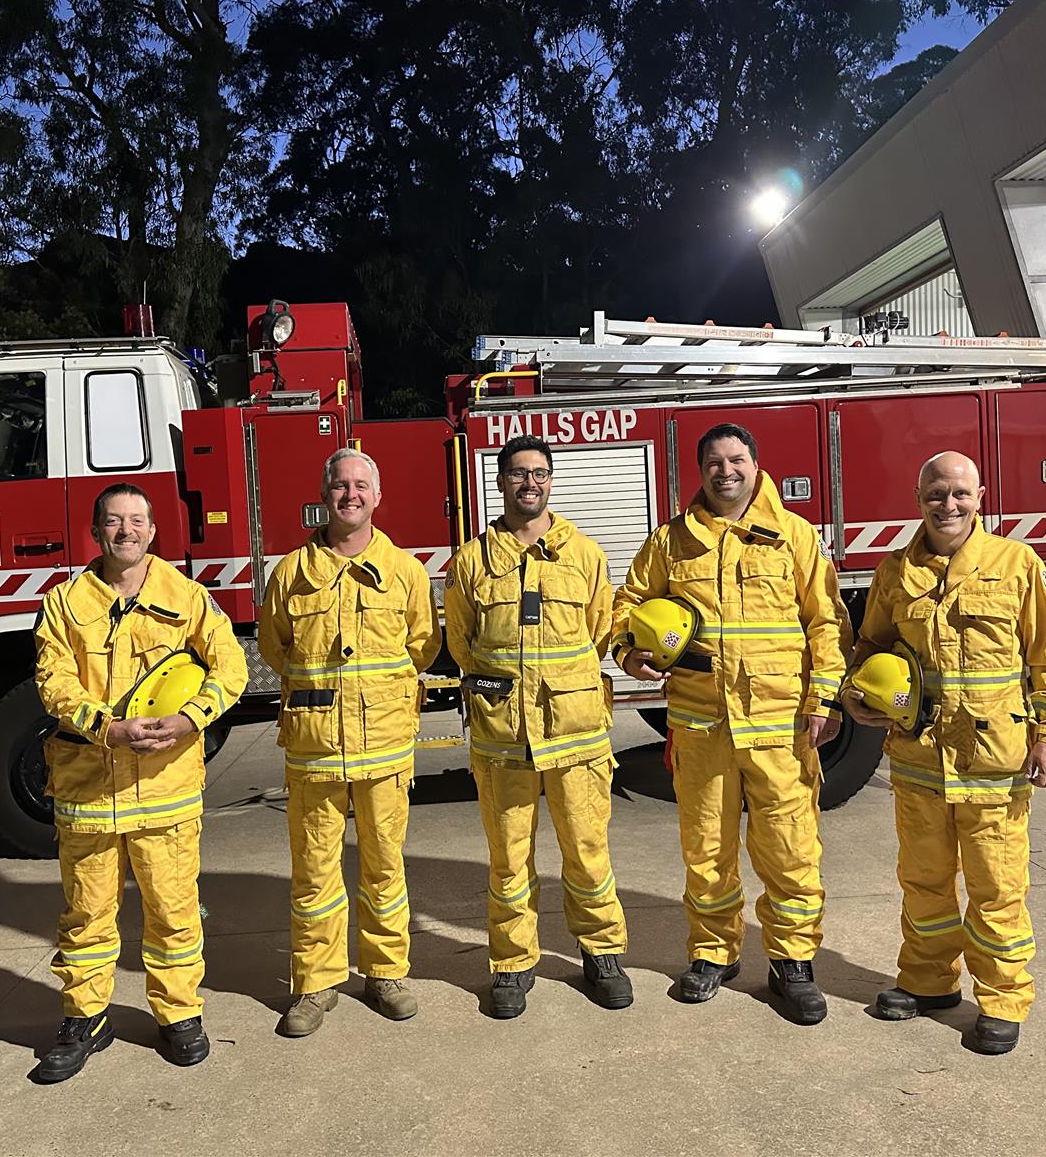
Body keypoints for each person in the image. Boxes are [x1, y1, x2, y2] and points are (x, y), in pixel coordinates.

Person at [613, 423, 850, 1024]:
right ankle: (713, 954)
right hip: (701, 726)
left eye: (736, 459)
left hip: (779, 726)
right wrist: (628, 651)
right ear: (700, 470)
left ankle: (792, 963)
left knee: (790, 850)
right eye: (715, 462)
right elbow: (626, 606)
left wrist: (823, 700)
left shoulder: (793, 536)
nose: (726, 471)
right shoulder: (672, 542)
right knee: (707, 849)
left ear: (755, 464)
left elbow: (826, 623)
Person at [844, 450, 1046, 1056]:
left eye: (959, 494)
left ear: (979, 498)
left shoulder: (1017, 563)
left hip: (994, 762)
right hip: (919, 762)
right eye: (935, 494)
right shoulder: (895, 570)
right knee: (924, 882)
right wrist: (857, 695)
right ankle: (927, 983)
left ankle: (1001, 999)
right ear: (918, 499)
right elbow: (870, 644)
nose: (948, 505)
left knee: (997, 886)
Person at [32, 482, 248, 1082]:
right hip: (89, 790)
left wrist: (188, 719)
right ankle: (85, 1018)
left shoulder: (188, 597)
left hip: (166, 787)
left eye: (137, 521)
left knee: (174, 912)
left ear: (154, 532)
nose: (126, 531)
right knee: (86, 915)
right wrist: (110, 728)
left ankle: (179, 1015)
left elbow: (231, 668)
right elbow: (53, 683)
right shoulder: (66, 602)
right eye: (113, 521)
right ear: (96, 531)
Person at [445, 436, 632, 1020]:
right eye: (519, 474)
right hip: (505, 740)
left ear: (552, 481)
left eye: (541, 473)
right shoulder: (473, 560)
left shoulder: (586, 555)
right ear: (499, 483)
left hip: (577, 738)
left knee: (588, 852)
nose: (531, 483)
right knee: (507, 859)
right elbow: (461, 642)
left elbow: (603, 629)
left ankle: (602, 954)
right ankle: (512, 963)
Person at [259, 448, 441, 1038]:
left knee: (385, 868)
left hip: (385, 750)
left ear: (378, 496)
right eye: (340, 485)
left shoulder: (406, 572)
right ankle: (315, 984)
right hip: (315, 752)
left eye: (361, 485)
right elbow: (274, 647)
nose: (350, 495)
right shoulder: (290, 573)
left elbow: (422, 645)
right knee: (314, 873)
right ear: (324, 494)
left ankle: (385, 974)